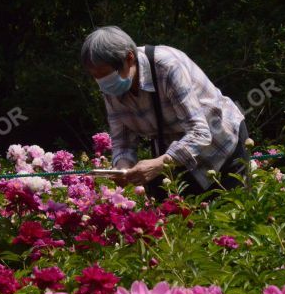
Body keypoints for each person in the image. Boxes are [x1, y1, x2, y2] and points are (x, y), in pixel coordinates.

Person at [81, 25, 250, 199]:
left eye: (107, 76)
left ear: (129, 58)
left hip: (220, 143)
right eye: (97, 78)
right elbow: (123, 142)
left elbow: (200, 133)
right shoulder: (111, 89)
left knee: (230, 214)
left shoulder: (167, 67)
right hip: (176, 154)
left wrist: (159, 163)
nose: (104, 84)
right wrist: (122, 168)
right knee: (182, 219)